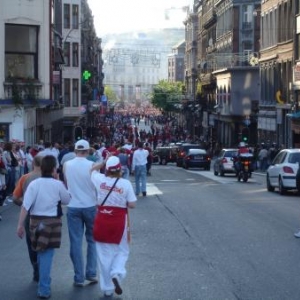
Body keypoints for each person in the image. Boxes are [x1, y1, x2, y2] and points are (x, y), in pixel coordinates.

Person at [17, 155, 71, 299]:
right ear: (54, 169)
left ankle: (43, 280)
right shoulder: (57, 184)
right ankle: (44, 288)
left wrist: (20, 225)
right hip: (52, 222)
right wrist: (60, 181)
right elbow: (66, 199)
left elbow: (25, 206)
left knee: (41, 252)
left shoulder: (34, 184)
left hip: (35, 221)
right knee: (47, 254)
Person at [90, 156, 137, 297]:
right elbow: (132, 204)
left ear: (107, 169)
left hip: (102, 219)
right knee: (122, 250)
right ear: (120, 169)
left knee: (104, 256)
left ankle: (107, 289)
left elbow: (91, 170)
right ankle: (117, 272)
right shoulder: (125, 183)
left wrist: (103, 162)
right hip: (119, 221)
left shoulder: (99, 180)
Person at [63, 139, 98, 286]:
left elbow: (66, 183)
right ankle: (91, 273)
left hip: (73, 206)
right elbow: (96, 186)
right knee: (92, 241)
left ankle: (78, 276)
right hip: (90, 205)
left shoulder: (66, 165)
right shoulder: (92, 165)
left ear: (75, 150)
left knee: (76, 242)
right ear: (88, 150)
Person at [12, 155, 42, 281]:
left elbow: (15, 198)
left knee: (32, 243)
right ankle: (43, 268)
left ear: (32, 164)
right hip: (48, 215)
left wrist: (24, 203)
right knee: (46, 244)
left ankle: (36, 267)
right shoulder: (52, 177)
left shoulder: (25, 178)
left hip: (30, 214)